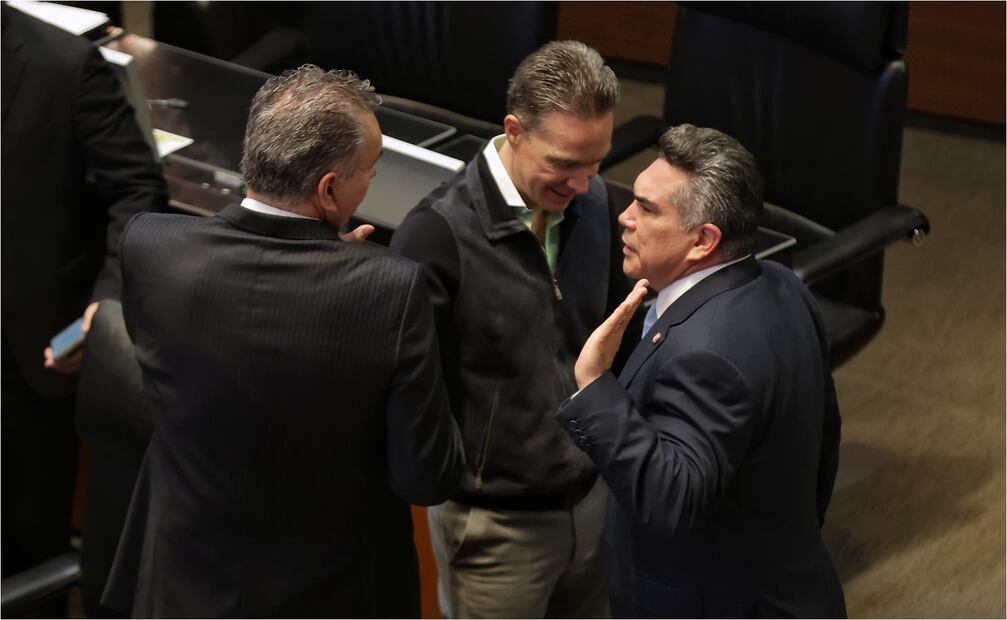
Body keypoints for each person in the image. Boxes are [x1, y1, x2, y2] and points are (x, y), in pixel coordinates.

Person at [101, 65, 464, 617]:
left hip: (185, 587)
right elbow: (426, 474)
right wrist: (340, 264)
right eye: (371, 170)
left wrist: (322, 252)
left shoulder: (150, 247)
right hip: (327, 595)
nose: (371, 182)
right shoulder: (390, 290)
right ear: (328, 189)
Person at [558, 124, 847, 618]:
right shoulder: (782, 283)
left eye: (647, 209)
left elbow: (669, 498)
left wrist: (594, 386)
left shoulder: (705, 355)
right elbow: (823, 440)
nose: (624, 217)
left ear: (703, 240)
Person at [390, 40, 634, 618]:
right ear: (515, 131)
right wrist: (454, 487)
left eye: (595, 162)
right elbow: (406, 392)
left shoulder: (594, 204)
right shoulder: (436, 236)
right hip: (497, 532)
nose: (582, 182)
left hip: (594, 504)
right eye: (564, 163)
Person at [1, 4, 168, 615]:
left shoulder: (64, 65)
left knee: (25, 558)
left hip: (26, 363)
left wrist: (105, 306)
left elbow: (137, 194)